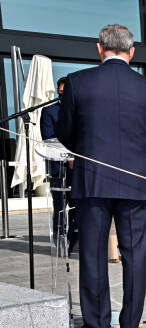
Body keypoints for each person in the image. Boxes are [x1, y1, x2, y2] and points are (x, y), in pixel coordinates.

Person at [55, 24, 146, 328]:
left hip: (92, 180)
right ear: (131, 52)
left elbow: (64, 131)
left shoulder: (78, 82)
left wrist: (88, 146)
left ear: (100, 49)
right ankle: (130, 324)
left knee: (92, 254)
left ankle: (97, 325)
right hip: (135, 182)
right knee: (134, 255)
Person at [40, 76, 78, 252]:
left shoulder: (78, 111)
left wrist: (74, 158)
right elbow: (49, 139)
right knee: (60, 207)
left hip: (78, 168)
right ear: (57, 91)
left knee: (78, 206)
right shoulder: (49, 111)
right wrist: (69, 156)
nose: (63, 96)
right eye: (61, 93)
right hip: (58, 168)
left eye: (66, 93)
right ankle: (59, 241)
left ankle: (75, 240)